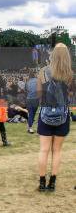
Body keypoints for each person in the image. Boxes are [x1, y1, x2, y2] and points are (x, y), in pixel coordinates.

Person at [36, 43, 73, 191]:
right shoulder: (70, 74)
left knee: (44, 150)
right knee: (57, 151)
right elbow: (70, 95)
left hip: (45, 113)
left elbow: (39, 94)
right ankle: (52, 183)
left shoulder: (43, 71)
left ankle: (42, 183)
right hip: (62, 115)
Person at [25, 69, 39, 134]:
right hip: (35, 99)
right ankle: (30, 127)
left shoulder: (27, 82)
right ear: (34, 75)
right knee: (32, 114)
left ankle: (29, 127)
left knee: (31, 113)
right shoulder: (37, 81)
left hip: (29, 99)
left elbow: (26, 90)